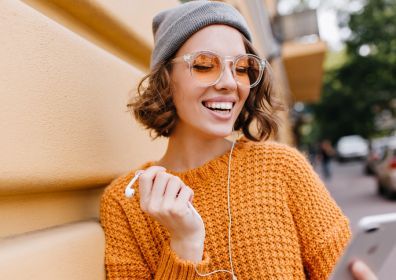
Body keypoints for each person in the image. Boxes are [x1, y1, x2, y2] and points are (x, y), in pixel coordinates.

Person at [100, 1, 377, 279]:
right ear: (166, 79)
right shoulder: (126, 203)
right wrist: (184, 243)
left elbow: (344, 269)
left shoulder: (282, 168)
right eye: (204, 65)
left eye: (242, 68)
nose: (230, 83)